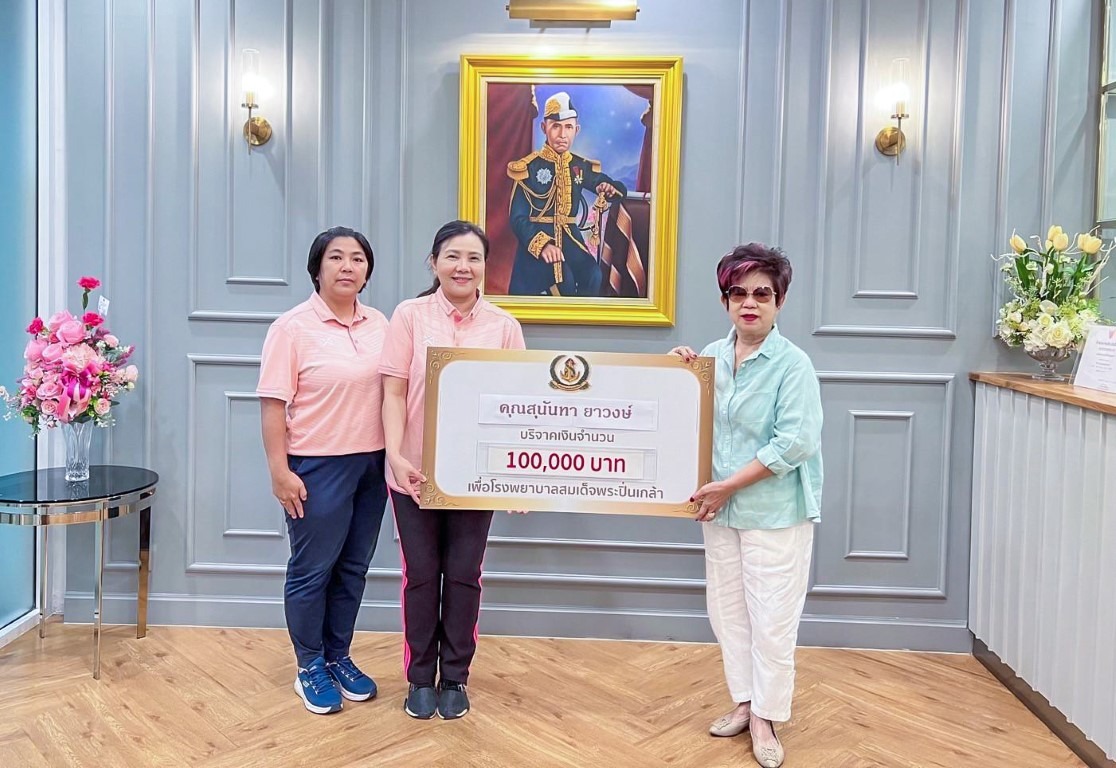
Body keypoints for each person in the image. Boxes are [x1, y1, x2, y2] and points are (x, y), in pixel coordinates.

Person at [670, 243, 823, 768]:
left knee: (772, 620)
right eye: (738, 293)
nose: (749, 303)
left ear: (780, 301)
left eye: (762, 293)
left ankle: (766, 718)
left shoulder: (793, 364)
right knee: (728, 614)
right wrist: (673, 376)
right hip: (720, 513)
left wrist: (728, 486)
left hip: (774, 513)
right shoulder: (708, 358)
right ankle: (744, 701)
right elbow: (686, 420)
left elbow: (793, 443)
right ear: (725, 300)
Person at [380, 220, 527, 721]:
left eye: (474, 258)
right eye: (452, 256)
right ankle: (420, 677)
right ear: (434, 262)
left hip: (475, 475)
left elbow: (518, 405)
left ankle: (455, 678)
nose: (463, 267)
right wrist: (395, 454)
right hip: (414, 471)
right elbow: (393, 392)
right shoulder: (409, 316)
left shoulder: (504, 326)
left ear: (486, 265)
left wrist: (514, 475)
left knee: (464, 575)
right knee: (421, 576)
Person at [257, 227, 389, 715]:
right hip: (316, 467)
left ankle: (338, 656)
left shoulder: (380, 324)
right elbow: (273, 406)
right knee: (313, 570)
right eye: (336, 257)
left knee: (353, 567)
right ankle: (309, 664)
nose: (347, 266)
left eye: (357, 258)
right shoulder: (291, 328)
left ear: (367, 271)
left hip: (372, 465)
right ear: (317, 268)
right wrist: (279, 471)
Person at [506, 91, 627, 297]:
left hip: (570, 239)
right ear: (544, 128)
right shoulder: (529, 168)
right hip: (536, 244)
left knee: (593, 275)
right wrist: (543, 245)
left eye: (568, 127)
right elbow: (517, 218)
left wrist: (607, 187)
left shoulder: (579, 166)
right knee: (565, 282)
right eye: (556, 126)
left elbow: (609, 185)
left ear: (576, 130)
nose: (562, 134)